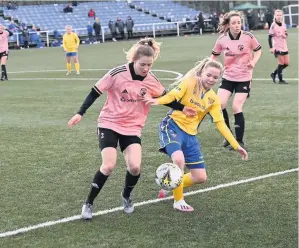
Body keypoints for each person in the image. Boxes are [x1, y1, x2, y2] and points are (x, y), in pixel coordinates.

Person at [67, 37, 196, 220]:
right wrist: (80, 113)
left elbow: (166, 98)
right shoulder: (117, 73)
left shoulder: (151, 80)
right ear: (134, 59)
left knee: (135, 167)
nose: (146, 69)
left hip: (132, 127)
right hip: (109, 123)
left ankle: (126, 196)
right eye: (143, 64)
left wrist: (183, 108)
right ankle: (88, 203)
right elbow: (95, 91)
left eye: (149, 65)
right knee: (109, 165)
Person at [142, 58, 248, 212]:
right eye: (209, 75)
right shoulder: (189, 81)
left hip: (190, 135)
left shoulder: (213, 99)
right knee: (178, 159)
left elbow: (220, 122)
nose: (211, 79)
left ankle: (170, 183)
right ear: (202, 72)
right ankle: (178, 201)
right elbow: (171, 96)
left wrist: (236, 145)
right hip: (172, 126)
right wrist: (156, 101)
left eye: (215, 77)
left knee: (200, 177)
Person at [211, 11, 262, 149]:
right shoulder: (221, 40)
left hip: (244, 78)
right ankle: (228, 136)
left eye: (239, 22)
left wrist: (253, 62)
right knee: (219, 105)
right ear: (228, 25)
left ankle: (239, 141)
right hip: (228, 77)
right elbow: (213, 57)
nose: (237, 25)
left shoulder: (248, 37)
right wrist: (211, 70)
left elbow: (258, 50)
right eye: (234, 23)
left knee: (236, 107)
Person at [269, 9, 289, 84]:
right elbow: (269, 37)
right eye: (277, 15)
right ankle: (281, 80)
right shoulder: (273, 25)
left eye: (280, 15)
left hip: (284, 45)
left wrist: (285, 35)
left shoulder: (283, 23)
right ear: (275, 16)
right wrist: (271, 47)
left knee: (286, 63)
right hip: (277, 46)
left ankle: (274, 73)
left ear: (282, 16)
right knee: (281, 63)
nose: (279, 16)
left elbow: (286, 33)